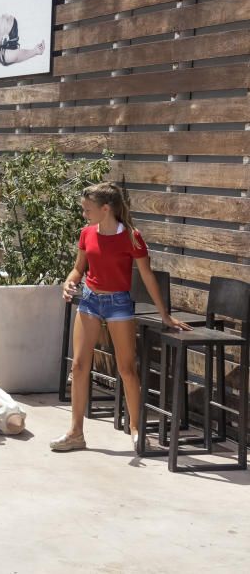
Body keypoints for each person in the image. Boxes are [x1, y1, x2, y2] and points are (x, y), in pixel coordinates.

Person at [51, 182, 191, 455]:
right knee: (79, 366)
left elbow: (147, 276)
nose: (84, 214)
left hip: (119, 305)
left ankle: (137, 431)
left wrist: (165, 315)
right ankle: (75, 433)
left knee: (127, 369)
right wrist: (68, 283)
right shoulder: (86, 234)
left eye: (87, 209)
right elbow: (78, 268)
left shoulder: (131, 236)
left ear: (106, 209)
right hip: (90, 301)